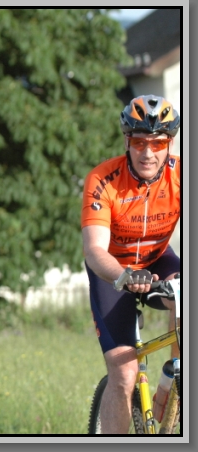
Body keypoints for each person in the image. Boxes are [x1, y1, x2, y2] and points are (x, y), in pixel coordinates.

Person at [81, 94, 180, 434]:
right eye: (139, 142)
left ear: (169, 144)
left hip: (157, 259)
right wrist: (124, 275)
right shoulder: (102, 179)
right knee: (123, 375)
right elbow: (94, 249)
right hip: (112, 270)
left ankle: (173, 381)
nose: (148, 153)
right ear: (127, 141)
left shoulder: (181, 175)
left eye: (158, 143)